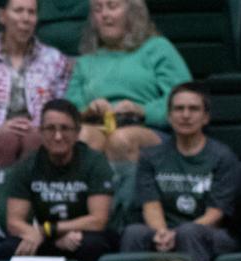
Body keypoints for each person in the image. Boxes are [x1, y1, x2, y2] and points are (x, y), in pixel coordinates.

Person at [120, 83, 240, 261]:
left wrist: (176, 234)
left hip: (209, 234)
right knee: (133, 233)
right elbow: (151, 204)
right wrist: (162, 232)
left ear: (206, 117)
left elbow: (215, 214)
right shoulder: (151, 156)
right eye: (179, 109)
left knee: (189, 233)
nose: (185, 115)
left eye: (193, 109)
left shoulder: (223, 157)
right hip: (165, 230)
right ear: (169, 116)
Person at [0, 99, 116, 261]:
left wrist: (50, 229)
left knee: (91, 245)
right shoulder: (28, 165)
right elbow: (14, 222)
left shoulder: (94, 161)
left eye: (65, 129)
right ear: (40, 132)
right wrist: (40, 236)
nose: (58, 136)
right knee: (10, 248)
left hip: (83, 235)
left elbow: (98, 220)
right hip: (46, 238)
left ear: (77, 132)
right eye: (50, 129)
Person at [65, 0, 187, 162]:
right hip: (99, 126)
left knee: (120, 140)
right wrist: (87, 111)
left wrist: (141, 110)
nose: (105, 15)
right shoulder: (86, 60)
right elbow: (69, 108)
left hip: (149, 129)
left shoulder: (157, 48)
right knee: (81, 137)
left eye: (112, 6)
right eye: (98, 9)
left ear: (132, 13)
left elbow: (184, 100)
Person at [0, 0, 72, 168]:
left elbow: (65, 111)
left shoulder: (54, 60)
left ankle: (33, 192)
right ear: (2, 16)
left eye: (31, 12)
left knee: (34, 140)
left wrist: (39, 127)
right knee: (7, 140)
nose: (25, 18)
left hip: (40, 136)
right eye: (18, 11)